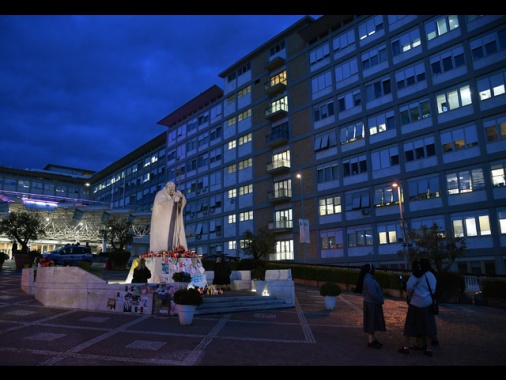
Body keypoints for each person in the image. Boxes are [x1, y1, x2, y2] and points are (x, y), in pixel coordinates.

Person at [398, 258, 438, 357]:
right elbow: (433, 289)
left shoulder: (415, 275)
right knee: (428, 326)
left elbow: (409, 287)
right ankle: (428, 349)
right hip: (428, 303)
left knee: (410, 325)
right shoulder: (431, 275)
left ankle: (406, 347)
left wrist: (411, 295)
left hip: (415, 302)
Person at [149, 181, 187, 253]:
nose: (171, 190)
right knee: (164, 239)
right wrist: (173, 201)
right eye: (170, 188)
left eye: (173, 188)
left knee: (174, 237)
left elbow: (182, 203)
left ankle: (175, 250)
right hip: (163, 223)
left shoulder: (176, 194)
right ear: (166, 187)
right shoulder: (160, 194)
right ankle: (162, 251)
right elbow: (161, 205)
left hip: (174, 220)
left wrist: (181, 197)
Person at [354, 263, 386, 349]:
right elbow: (373, 293)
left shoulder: (368, 278)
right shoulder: (368, 279)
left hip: (371, 303)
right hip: (372, 303)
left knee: (373, 321)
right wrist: (379, 300)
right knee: (371, 322)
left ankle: (372, 339)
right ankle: (370, 341)